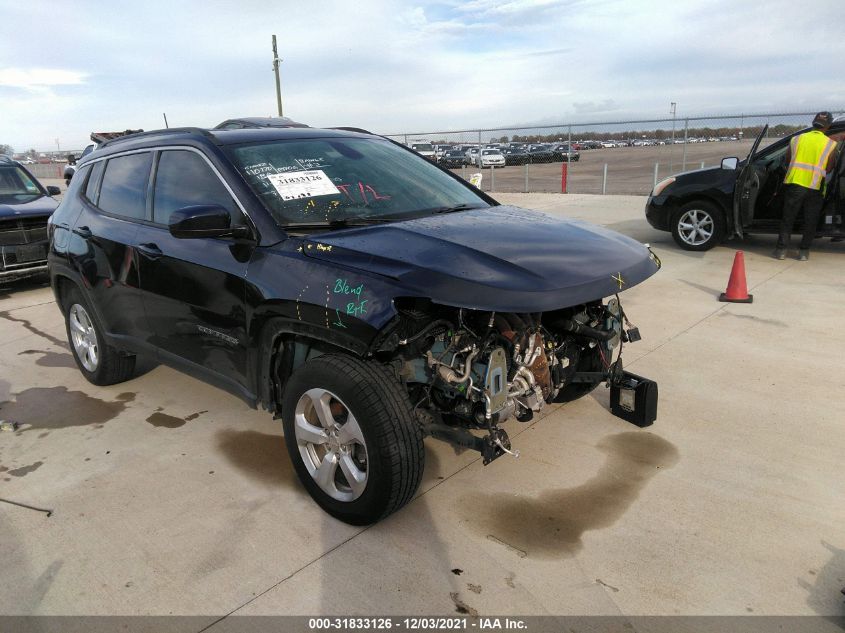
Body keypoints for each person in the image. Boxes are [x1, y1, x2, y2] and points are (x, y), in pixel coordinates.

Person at [773, 111, 838, 261]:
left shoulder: (796, 139)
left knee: (788, 218)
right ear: (828, 126)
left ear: (813, 123)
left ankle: (781, 250)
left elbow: (788, 159)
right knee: (811, 219)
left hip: (795, 183)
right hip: (815, 186)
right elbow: (829, 168)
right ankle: (803, 252)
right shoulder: (830, 144)